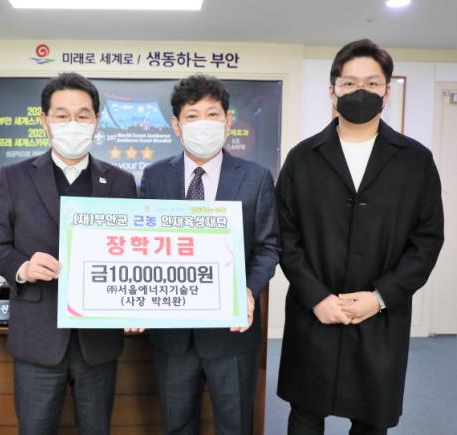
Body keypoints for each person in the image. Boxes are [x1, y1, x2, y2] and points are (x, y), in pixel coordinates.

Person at [276, 39, 444, 435]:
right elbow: (285, 235)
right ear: (332, 90)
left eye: (372, 83)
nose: (360, 91)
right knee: (305, 414)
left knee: (371, 420)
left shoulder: (416, 160)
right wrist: (316, 296)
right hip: (314, 312)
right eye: (349, 83)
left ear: (387, 91)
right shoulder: (302, 158)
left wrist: (381, 296)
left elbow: (426, 240)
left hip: (380, 316)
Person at [0, 72, 137, 435]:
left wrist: (135, 305)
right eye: (62, 115)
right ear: (45, 120)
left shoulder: (120, 182)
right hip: (38, 336)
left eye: (83, 115)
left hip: (98, 340)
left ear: (96, 121)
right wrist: (22, 267)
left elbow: (134, 251)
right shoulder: (14, 177)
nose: (73, 124)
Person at [139, 74, 280, 435]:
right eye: (192, 115)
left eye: (212, 114)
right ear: (177, 125)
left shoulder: (256, 178)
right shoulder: (154, 177)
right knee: (176, 425)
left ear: (227, 121)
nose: (203, 123)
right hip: (172, 335)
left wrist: (248, 290)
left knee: (235, 426)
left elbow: (267, 247)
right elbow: (141, 244)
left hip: (232, 333)